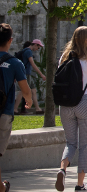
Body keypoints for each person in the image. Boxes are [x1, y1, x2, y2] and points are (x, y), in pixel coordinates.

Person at [54, 26, 87, 192]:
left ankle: (62, 169)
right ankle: (80, 184)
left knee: (70, 142)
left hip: (65, 105)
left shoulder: (64, 58)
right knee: (85, 145)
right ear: (86, 39)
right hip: (84, 103)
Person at [0, 23, 34, 192]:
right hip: (4, 113)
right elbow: (25, 90)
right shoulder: (14, 63)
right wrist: (29, 101)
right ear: (10, 40)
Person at [15, 39, 44, 114]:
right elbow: (32, 64)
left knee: (33, 90)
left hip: (27, 74)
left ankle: (37, 109)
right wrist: (41, 74)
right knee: (22, 91)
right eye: (38, 47)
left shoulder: (25, 50)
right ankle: (15, 109)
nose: (37, 49)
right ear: (35, 45)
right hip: (26, 74)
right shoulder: (28, 51)